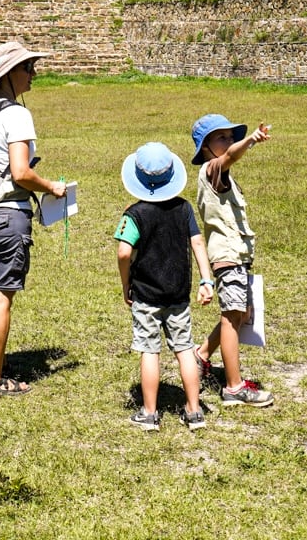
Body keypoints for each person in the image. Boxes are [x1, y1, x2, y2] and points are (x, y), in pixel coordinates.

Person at [0, 41, 67, 398]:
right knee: (1, 297)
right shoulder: (17, 114)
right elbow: (21, 172)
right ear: (9, 74)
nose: (33, 74)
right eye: (28, 68)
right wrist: (51, 187)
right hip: (8, 214)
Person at [115, 142, 215, 431]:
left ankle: (149, 413)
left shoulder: (133, 213)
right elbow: (197, 242)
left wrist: (126, 284)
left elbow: (123, 252)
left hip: (146, 295)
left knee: (150, 351)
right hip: (178, 293)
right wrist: (206, 279)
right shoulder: (184, 209)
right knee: (184, 349)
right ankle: (194, 411)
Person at [189, 114, 275, 408]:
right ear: (205, 149)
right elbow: (229, 156)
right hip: (228, 256)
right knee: (231, 316)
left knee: (238, 313)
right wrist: (249, 140)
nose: (229, 141)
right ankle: (233, 387)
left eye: (231, 135)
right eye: (221, 137)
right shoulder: (213, 168)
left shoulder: (219, 172)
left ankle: (201, 355)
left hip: (235, 256)